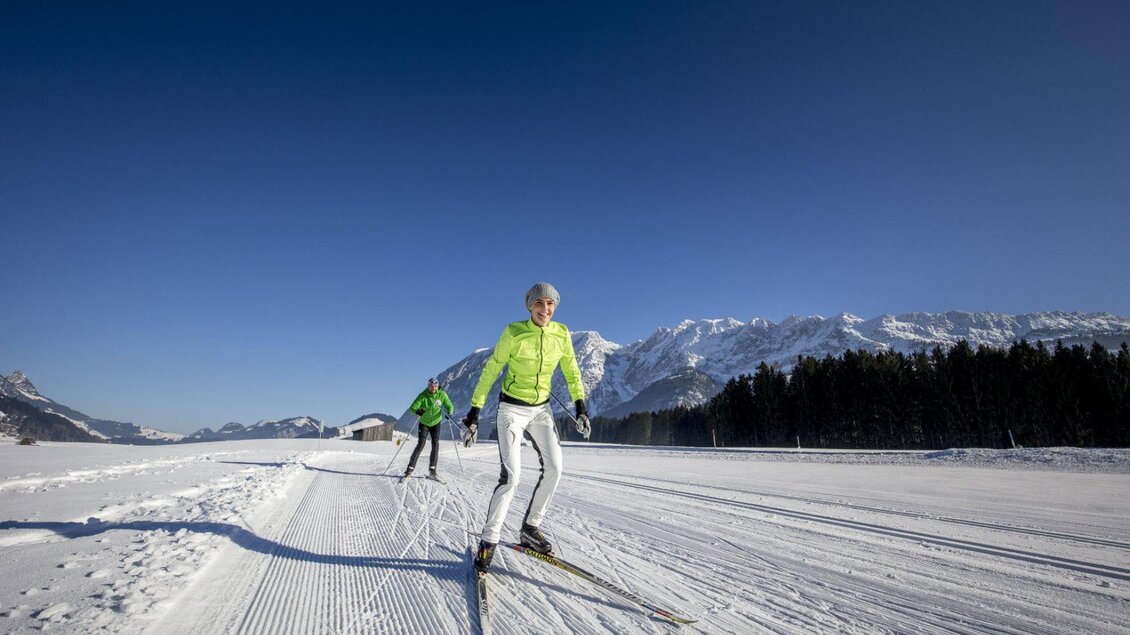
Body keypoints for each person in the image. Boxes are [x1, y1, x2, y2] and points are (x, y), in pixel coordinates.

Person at [462, 282, 590, 573]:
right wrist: (474, 410)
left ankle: (530, 527)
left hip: (541, 410)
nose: (545, 310)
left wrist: (580, 405)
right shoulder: (514, 332)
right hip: (511, 410)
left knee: (555, 468)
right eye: (539, 304)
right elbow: (492, 368)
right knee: (512, 477)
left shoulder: (561, 334)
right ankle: (488, 541)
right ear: (529, 306)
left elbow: (571, 369)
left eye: (550, 305)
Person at [404, 378, 454, 479]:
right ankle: (410, 469)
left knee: (435, 444)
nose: (433, 388)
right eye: (431, 386)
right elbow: (412, 409)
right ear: (428, 386)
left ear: (437, 386)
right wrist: (417, 411)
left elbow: (449, 405)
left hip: (436, 423)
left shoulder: (442, 395)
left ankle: (432, 470)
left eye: (435, 386)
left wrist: (450, 412)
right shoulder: (423, 396)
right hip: (424, 423)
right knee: (421, 445)